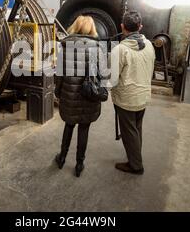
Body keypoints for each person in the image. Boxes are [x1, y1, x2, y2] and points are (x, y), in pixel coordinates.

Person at [54, 15, 102, 177]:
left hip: (70, 95)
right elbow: (102, 74)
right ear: (91, 28)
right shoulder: (96, 47)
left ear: (76, 26)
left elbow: (59, 74)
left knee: (69, 125)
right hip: (89, 96)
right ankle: (79, 164)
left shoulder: (66, 46)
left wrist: (58, 92)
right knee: (84, 128)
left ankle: (61, 158)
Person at [110, 11, 155, 175]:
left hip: (127, 99)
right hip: (143, 95)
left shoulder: (120, 50)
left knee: (129, 132)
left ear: (122, 27)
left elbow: (113, 79)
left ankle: (136, 165)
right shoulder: (149, 44)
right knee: (136, 128)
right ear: (140, 27)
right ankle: (135, 156)